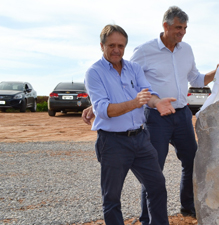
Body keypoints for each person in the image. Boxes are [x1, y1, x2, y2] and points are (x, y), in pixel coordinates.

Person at [82, 6, 219, 223]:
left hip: (170, 119)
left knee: (175, 172)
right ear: (165, 26)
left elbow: (189, 81)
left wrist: (216, 73)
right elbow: (116, 94)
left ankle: (183, 207)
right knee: (127, 187)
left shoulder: (179, 52)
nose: (182, 32)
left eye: (185, 28)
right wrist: (99, 105)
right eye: (178, 27)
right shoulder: (136, 55)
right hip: (138, 127)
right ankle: (145, 218)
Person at [85, 24, 176, 225]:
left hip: (141, 139)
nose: (116, 50)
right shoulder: (94, 73)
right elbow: (104, 110)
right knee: (112, 198)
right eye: (111, 45)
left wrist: (157, 102)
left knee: (157, 186)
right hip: (112, 142)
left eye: (121, 45)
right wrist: (135, 102)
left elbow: (147, 95)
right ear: (102, 46)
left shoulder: (134, 68)